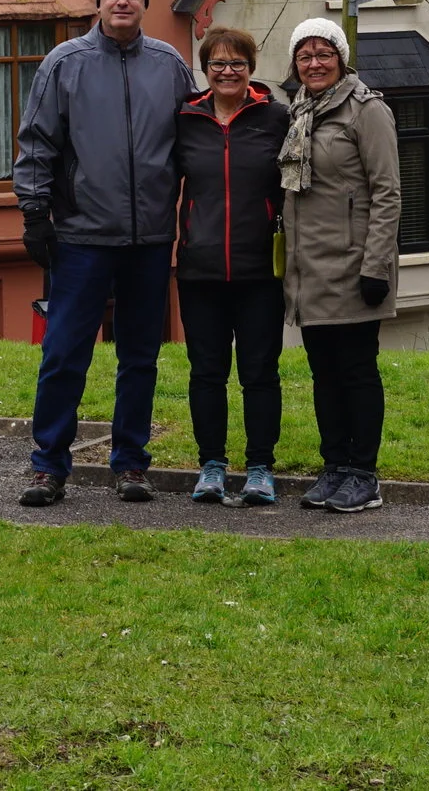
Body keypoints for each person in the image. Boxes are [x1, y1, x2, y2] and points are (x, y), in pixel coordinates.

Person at [12, 0, 195, 506]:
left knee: (139, 355)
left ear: (144, 4)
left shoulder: (170, 66)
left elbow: (194, 145)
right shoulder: (63, 64)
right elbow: (36, 143)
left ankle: (131, 464)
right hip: (81, 236)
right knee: (65, 353)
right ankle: (48, 466)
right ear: (98, 3)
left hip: (150, 239)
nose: (122, 1)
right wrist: (34, 213)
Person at [278, 18, 402, 514]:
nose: (314, 63)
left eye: (323, 53)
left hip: (354, 267)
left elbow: (387, 192)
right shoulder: (299, 112)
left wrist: (376, 266)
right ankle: (334, 467)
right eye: (304, 55)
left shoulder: (366, 111)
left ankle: (363, 474)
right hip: (308, 269)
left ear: (341, 58)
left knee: (355, 372)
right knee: (323, 373)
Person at [173, 25, 291, 508]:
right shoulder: (184, 120)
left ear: (251, 69)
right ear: (205, 69)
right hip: (199, 270)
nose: (227, 71)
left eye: (237, 63)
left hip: (259, 270)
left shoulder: (277, 118)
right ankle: (212, 466)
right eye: (218, 63)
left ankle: (260, 468)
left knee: (260, 372)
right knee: (206, 372)